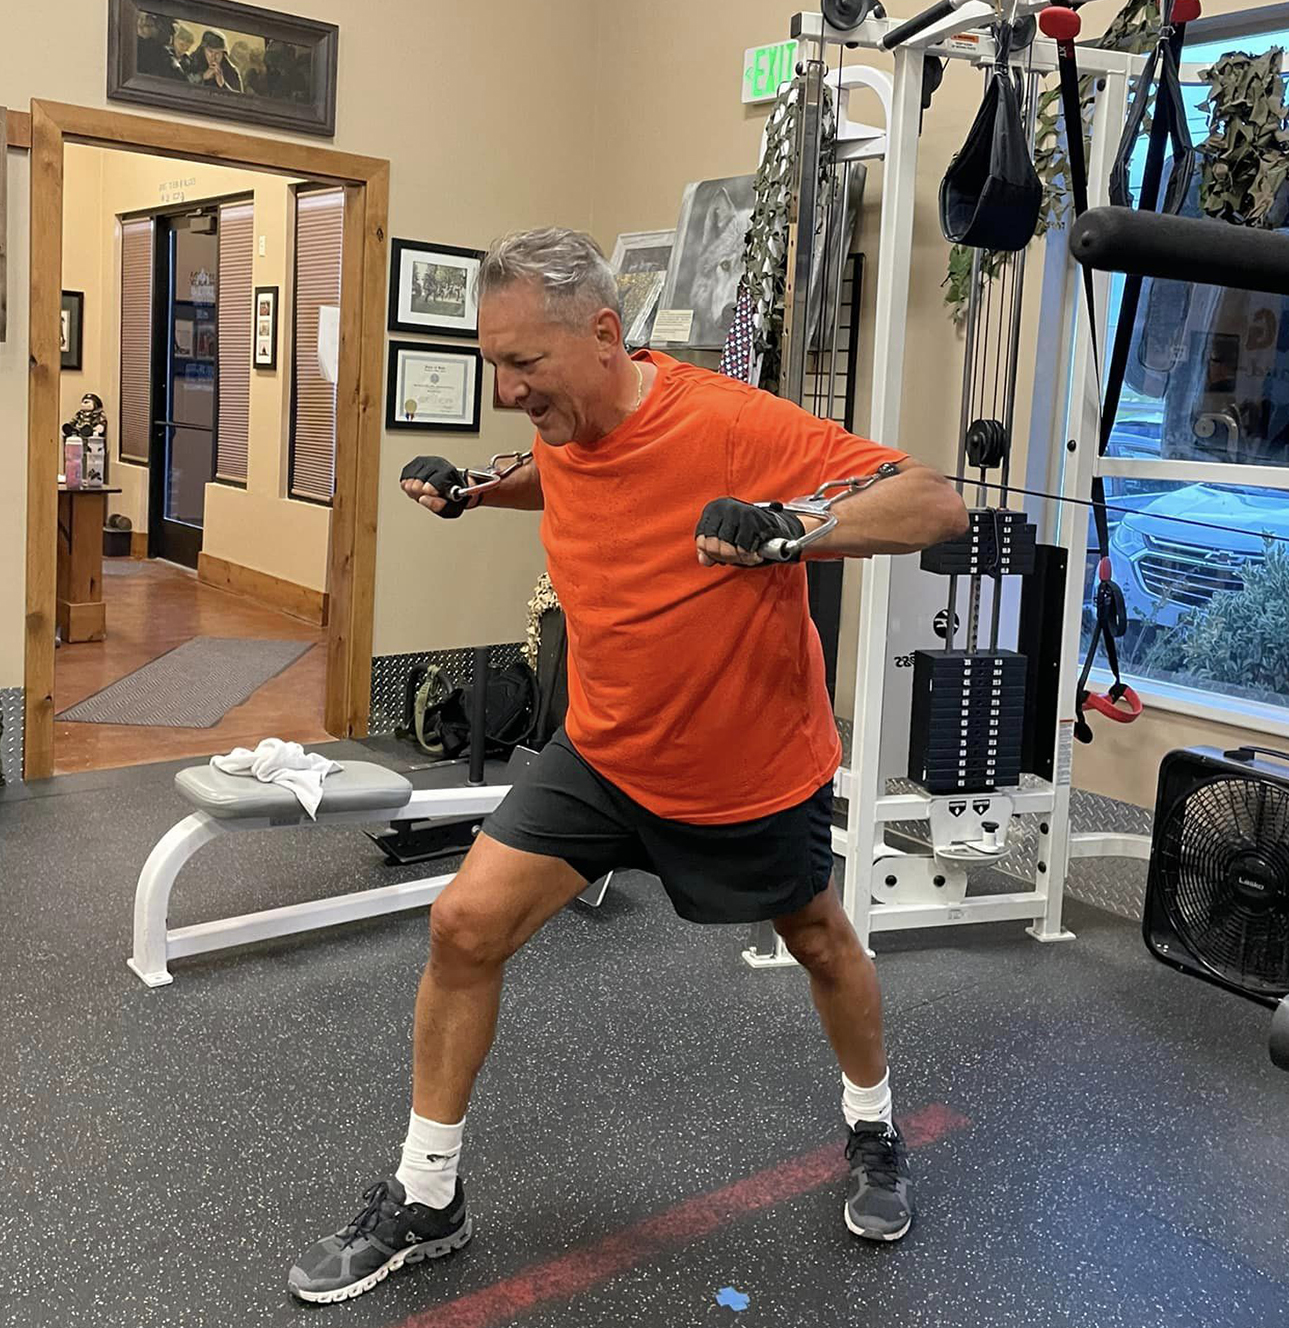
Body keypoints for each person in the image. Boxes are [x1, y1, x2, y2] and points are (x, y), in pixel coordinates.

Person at [287, 228, 969, 1305]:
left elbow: (934, 500)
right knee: (465, 924)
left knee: (817, 940)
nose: (505, 389)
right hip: (604, 751)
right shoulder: (566, 419)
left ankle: (874, 1127)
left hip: (747, 762)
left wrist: (792, 525)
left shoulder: (733, 423)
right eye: (492, 364)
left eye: (524, 365)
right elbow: (561, 476)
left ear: (604, 335)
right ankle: (430, 1194)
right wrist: (471, 491)